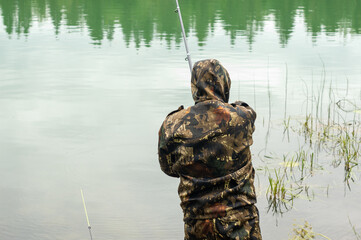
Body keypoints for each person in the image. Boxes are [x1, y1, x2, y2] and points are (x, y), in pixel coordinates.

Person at [158, 59, 262, 240]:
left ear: (194, 87)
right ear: (225, 84)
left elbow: (168, 168)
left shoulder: (172, 125)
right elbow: (244, 109)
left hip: (197, 226)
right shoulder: (242, 117)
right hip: (242, 225)